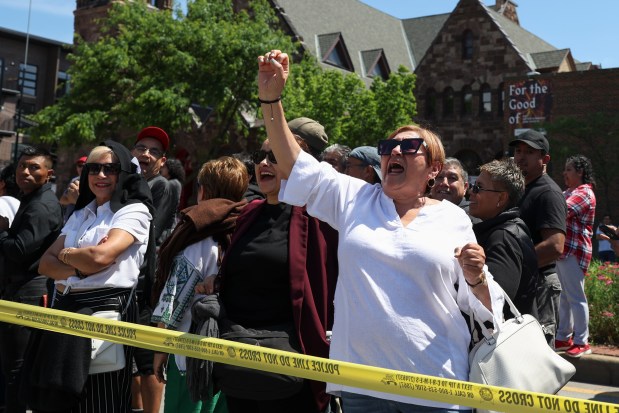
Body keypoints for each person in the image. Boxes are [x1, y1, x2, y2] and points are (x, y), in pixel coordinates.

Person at [256, 50, 504, 412]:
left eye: (409, 147)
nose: (395, 152)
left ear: (433, 169)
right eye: (388, 147)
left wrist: (476, 276)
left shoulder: (453, 218)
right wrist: (271, 99)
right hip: (363, 385)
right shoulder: (355, 198)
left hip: (436, 385)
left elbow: (478, 304)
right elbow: (294, 163)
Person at [200, 136, 339, 413]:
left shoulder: (318, 219)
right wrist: (217, 282)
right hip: (238, 358)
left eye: (275, 156)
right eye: (260, 156)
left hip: (292, 367)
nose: (263, 163)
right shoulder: (249, 213)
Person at [32, 141, 154, 412]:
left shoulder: (133, 211)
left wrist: (67, 254)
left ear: (122, 173)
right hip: (66, 307)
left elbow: (100, 257)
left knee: (102, 401)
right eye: (94, 169)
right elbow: (45, 264)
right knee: (58, 400)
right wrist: (79, 263)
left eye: (109, 169)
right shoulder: (80, 213)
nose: (100, 176)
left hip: (107, 308)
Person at [151, 157, 249, 413]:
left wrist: (160, 348)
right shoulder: (245, 232)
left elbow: (173, 300)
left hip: (191, 360)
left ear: (203, 191)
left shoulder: (198, 239)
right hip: (233, 353)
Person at [0, 146, 63, 413]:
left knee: (17, 367)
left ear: (48, 174)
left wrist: (1, 231)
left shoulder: (41, 206)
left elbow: (18, 250)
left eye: (33, 167)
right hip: (19, 291)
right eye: (22, 165)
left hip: (28, 293)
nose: (25, 171)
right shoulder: (31, 198)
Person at [131, 125, 177, 413]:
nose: (146, 154)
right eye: (141, 148)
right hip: (126, 286)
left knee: (147, 360)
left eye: (154, 151)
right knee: (130, 358)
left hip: (147, 286)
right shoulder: (125, 185)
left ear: (162, 161)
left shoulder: (161, 186)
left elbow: (149, 236)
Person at [510, 130, 567, 345]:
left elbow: (554, 246)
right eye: (518, 151)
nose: (521, 157)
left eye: (530, 152)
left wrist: (513, 264)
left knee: (538, 358)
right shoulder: (520, 189)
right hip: (523, 281)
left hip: (540, 284)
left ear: (545, 159)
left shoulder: (548, 193)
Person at [469, 159, 539, 316]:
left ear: (501, 198)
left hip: (504, 337)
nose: (471, 192)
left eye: (478, 187)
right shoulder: (509, 228)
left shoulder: (502, 237)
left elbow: (497, 300)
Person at [554, 155, 597, 358]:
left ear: (579, 172)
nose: (565, 173)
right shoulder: (569, 191)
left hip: (575, 250)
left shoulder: (584, 192)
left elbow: (562, 210)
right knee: (565, 296)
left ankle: (582, 341)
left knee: (576, 297)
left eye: (569, 170)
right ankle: (564, 336)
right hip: (566, 251)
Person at [59, 155, 87, 223]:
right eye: (79, 165)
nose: (81, 168)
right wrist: (75, 201)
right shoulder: (74, 180)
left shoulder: (94, 182)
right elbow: (62, 200)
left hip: (84, 221)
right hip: (69, 220)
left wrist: (74, 200)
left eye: (84, 166)